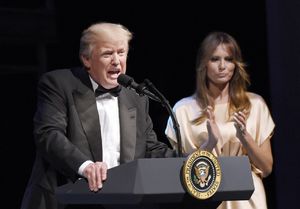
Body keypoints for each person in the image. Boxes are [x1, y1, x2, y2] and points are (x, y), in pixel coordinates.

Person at [21, 22, 176, 209]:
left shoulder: (136, 97)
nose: (117, 61)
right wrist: (85, 166)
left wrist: (188, 159)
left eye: (121, 52)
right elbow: (49, 134)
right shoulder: (58, 84)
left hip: (121, 202)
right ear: (86, 59)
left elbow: (149, 149)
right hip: (67, 200)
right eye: (108, 54)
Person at [165, 32, 275, 209]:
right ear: (204, 64)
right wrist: (210, 143)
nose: (222, 66)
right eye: (215, 59)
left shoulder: (254, 104)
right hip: (205, 196)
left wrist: (244, 137)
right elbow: (182, 171)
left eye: (229, 59)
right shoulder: (183, 109)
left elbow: (267, 168)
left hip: (247, 197)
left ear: (236, 64)